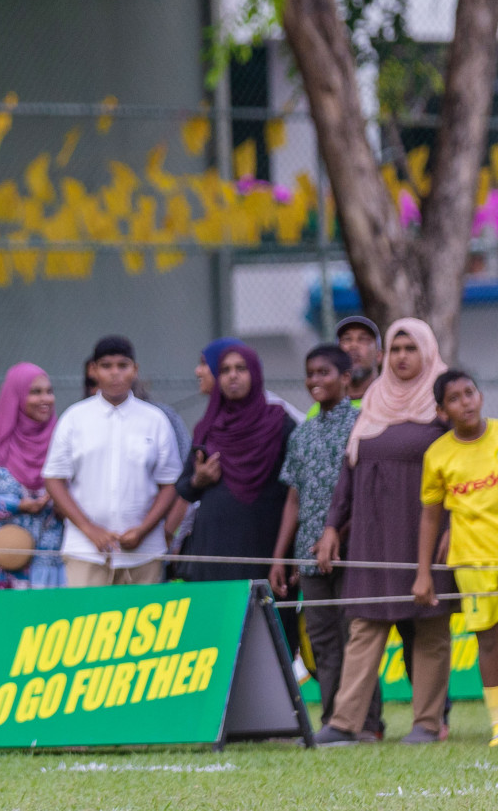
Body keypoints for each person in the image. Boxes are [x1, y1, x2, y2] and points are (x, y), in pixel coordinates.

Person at [315, 318, 454, 746]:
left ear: (428, 352)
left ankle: (427, 724)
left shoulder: (443, 405)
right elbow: (349, 472)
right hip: (372, 536)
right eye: (395, 349)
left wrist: (455, 530)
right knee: (364, 625)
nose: (402, 357)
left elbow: (460, 470)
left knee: (430, 628)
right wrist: (333, 527)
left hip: (425, 534)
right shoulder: (374, 401)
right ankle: (344, 723)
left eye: (411, 348)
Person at [269, 345, 382, 738]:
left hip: (353, 551)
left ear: (346, 378)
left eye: (324, 373)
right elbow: (294, 498)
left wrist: (339, 535)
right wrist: (280, 557)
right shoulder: (302, 433)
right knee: (322, 639)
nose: (316, 380)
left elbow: (367, 493)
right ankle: (334, 720)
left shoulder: (363, 424)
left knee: (356, 635)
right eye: (310, 373)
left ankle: (367, 723)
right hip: (308, 556)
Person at [176, 343, 297, 654]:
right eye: (225, 370)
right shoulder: (209, 424)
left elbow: (296, 492)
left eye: (240, 369)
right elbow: (185, 488)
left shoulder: (280, 424)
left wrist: (284, 555)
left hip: (263, 547)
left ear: (254, 374)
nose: (232, 377)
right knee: (216, 637)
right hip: (214, 550)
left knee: (268, 640)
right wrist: (199, 479)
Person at [43, 335, 180, 587]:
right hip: (85, 551)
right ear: (93, 370)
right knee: (86, 624)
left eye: (123, 365)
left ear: (135, 370)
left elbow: (170, 482)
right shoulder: (75, 418)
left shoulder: (155, 419)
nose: (115, 373)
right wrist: (89, 529)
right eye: (106, 366)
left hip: (143, 553)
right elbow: (53, 478)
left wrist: (143, 530)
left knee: (142, 625)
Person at [415, 370, 498, 744]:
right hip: (472, 563)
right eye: (455, 398)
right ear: (441, 410)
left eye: (470, 393)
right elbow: (431, 515)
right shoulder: (438, 455)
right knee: (489, 642)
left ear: (480, 396)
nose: (466, 402)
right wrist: (423, 572)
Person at [0, 362, 64, 589]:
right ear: (15, 396)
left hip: (53, 565)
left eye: (49, 391)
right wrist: (17, 505)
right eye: (35, 392)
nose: (45, 399)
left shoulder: (63, 442)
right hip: (0, 566)